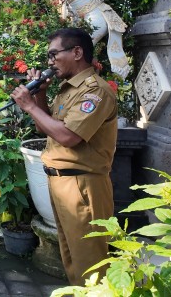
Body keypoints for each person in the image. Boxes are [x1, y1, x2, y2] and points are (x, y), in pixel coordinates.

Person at [10, 27, 117, 284]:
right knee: (71, 257)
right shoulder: (67, 89)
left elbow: (69, 136)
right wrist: (40, 95)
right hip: (62, 182)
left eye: (53, 54)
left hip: (82, 185)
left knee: (90, 266)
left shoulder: (95, 92)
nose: (50, 62)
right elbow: (45, 127)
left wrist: (27, 105)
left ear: (77, 52)